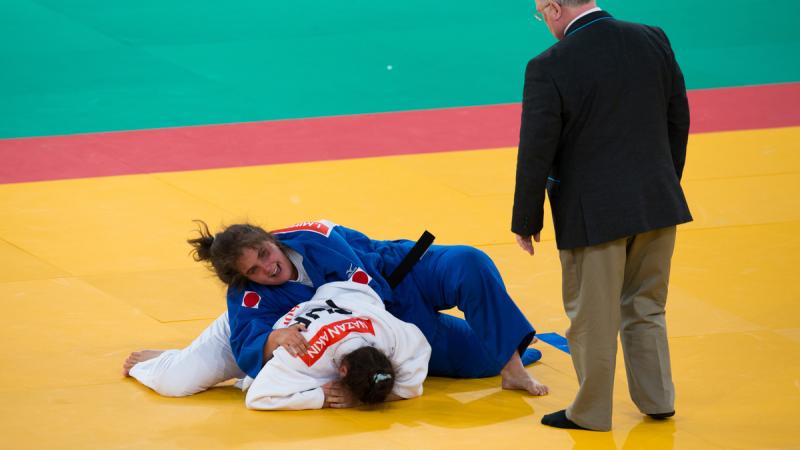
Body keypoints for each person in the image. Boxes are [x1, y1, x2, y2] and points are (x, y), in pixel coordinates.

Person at [511, 0, 691, 431]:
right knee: (647, 304)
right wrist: (664, 183)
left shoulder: (548, 65)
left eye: (541, 15)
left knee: (592, 316)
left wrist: (526, 218)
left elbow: (537, 149)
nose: (544, 23)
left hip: (593, 215)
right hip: (657, 202)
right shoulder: (652, 38)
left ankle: (590, 411)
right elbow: (677, 119)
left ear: (554, 8)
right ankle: (658, 397)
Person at [124, 219, 548, 400]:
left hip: (396, 281)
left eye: (265, 253)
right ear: (243, 278)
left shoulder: (315, 235)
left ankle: (512, 363)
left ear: (272, 238)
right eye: (254, 270)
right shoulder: (247, 299)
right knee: (182, 380)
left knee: (467, 263)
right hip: (361, 328)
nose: (268, 267)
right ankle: (165, 359)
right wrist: (273, 338)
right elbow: (246, 346)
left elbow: (363, 299)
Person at [242, 281, 430, 410]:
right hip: (256, 320)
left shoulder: (389, 335)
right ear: (342, 370)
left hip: (345, 292)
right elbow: (257, 397)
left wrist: (357, 400)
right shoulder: (302, 353)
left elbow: (410, 387)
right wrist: (322, 398)